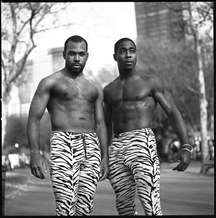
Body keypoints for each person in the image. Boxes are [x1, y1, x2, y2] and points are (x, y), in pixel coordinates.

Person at [103, 38, 192, 215]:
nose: (128, 54)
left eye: (132, 50)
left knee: (150, 203)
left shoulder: (150, 82)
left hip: (142, 143)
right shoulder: (108, 90)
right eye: (123, 51)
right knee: (124, 207)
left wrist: (186, 146)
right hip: (117, 147)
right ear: (115, 56)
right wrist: (104, 155)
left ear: (136, 54)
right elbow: (106, 125)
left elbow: (172, 112)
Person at [27, 35, 108, 216]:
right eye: (72, 53)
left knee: (85, 209)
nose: (77, 58)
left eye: (81, 54)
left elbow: (101, 123)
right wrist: (35, 152)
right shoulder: (50, 82)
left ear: (87, 55)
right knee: (65, 208)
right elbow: (33, 118)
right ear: (64, 54)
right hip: (64, 143)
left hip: (91, 146)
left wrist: (105, 156)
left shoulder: (94, 87)